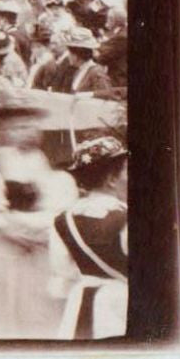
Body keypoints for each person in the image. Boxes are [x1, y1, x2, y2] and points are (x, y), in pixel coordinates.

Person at [0, 97, 78, 339]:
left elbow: (56, 203)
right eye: (18, 127)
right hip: (0, 247)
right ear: (1, 132)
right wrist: (9, 228)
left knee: (38, 308)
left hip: (37, 248)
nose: (27, 133)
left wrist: (40, 229)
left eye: (31, 126)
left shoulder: (41, 163)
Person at [49, 137, 129, 340]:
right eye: (126, 171)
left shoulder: (62, 219)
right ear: (111, 179)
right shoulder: (125, 217)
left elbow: (61, 268)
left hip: (81, 301)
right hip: (121, 303)